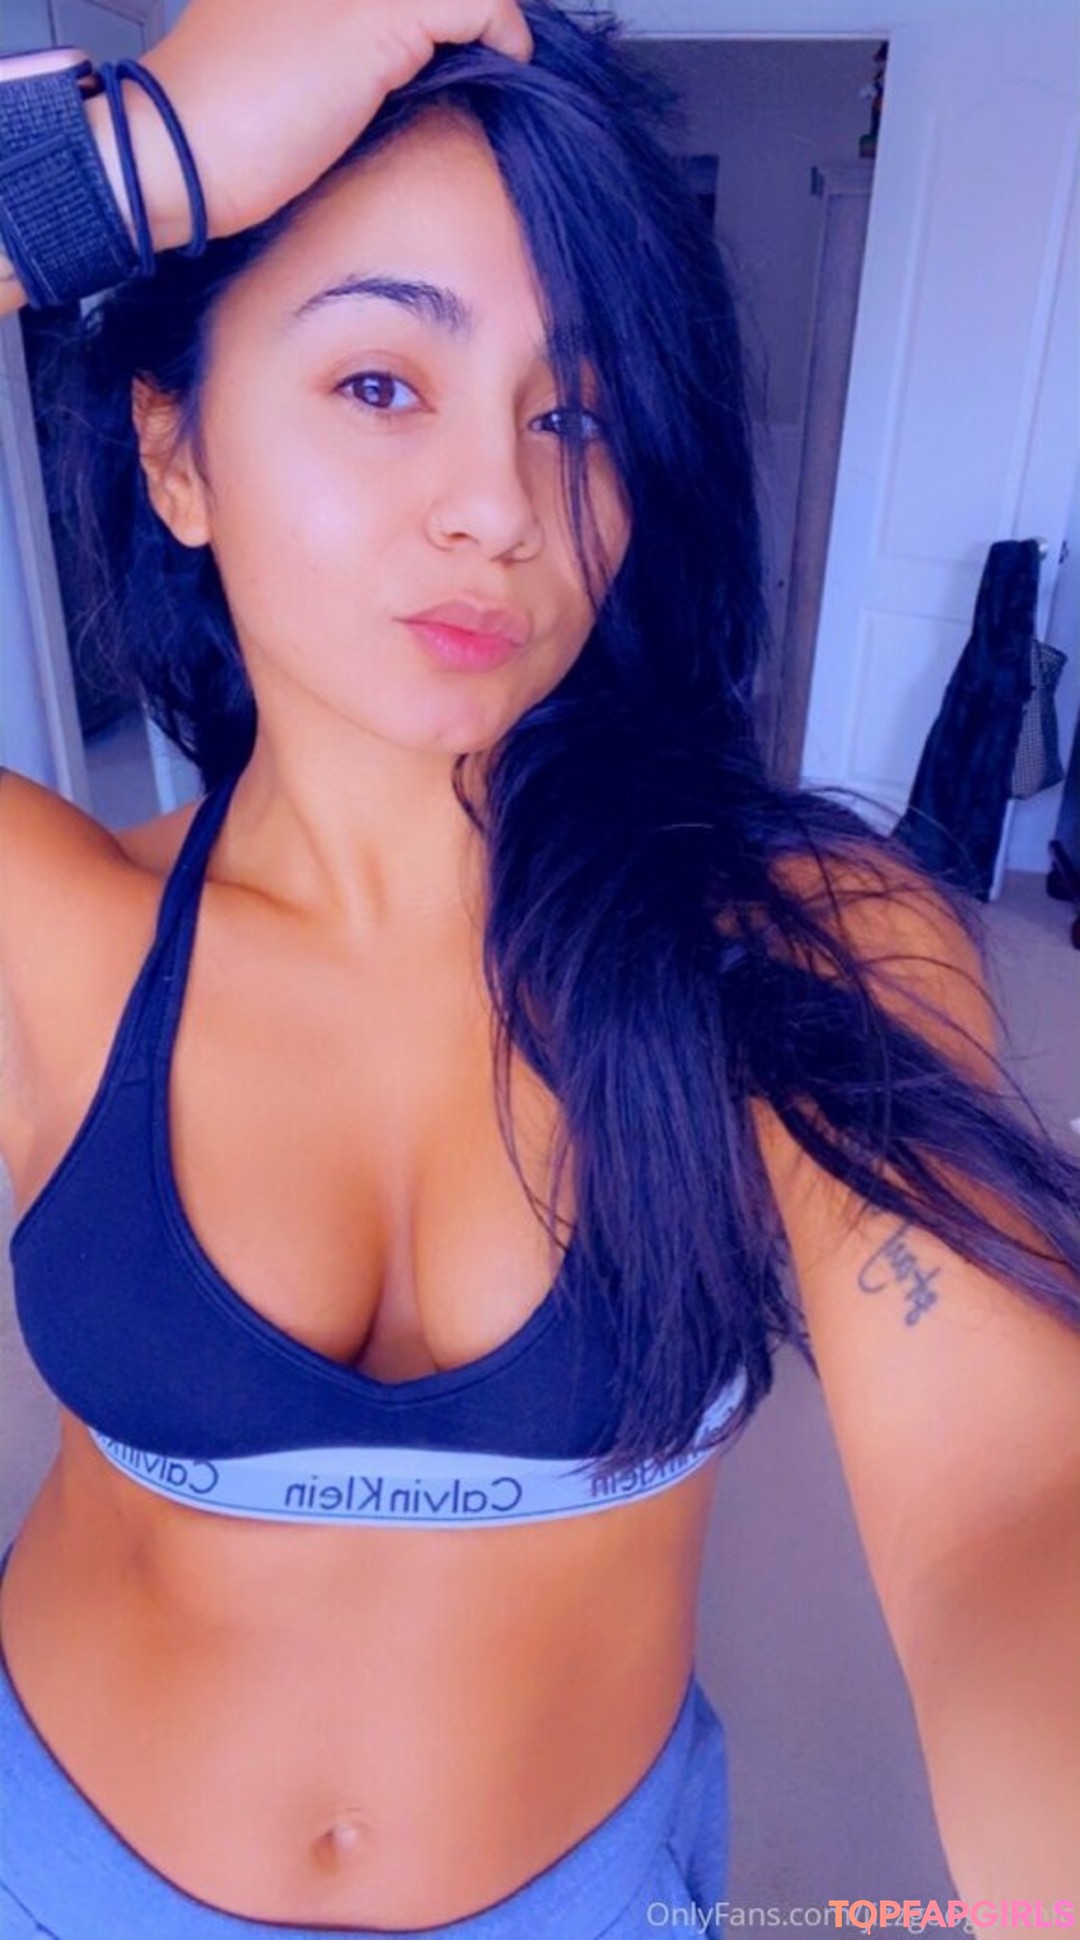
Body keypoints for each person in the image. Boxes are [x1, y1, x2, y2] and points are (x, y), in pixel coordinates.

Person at [0, 3, 1078, 1934]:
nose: (499, 506)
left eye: (570, 415)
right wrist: (120, 161)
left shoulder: (802, 948)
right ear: (175, 451)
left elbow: (1013, 1508)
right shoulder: (46, 925)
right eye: (380, 382)